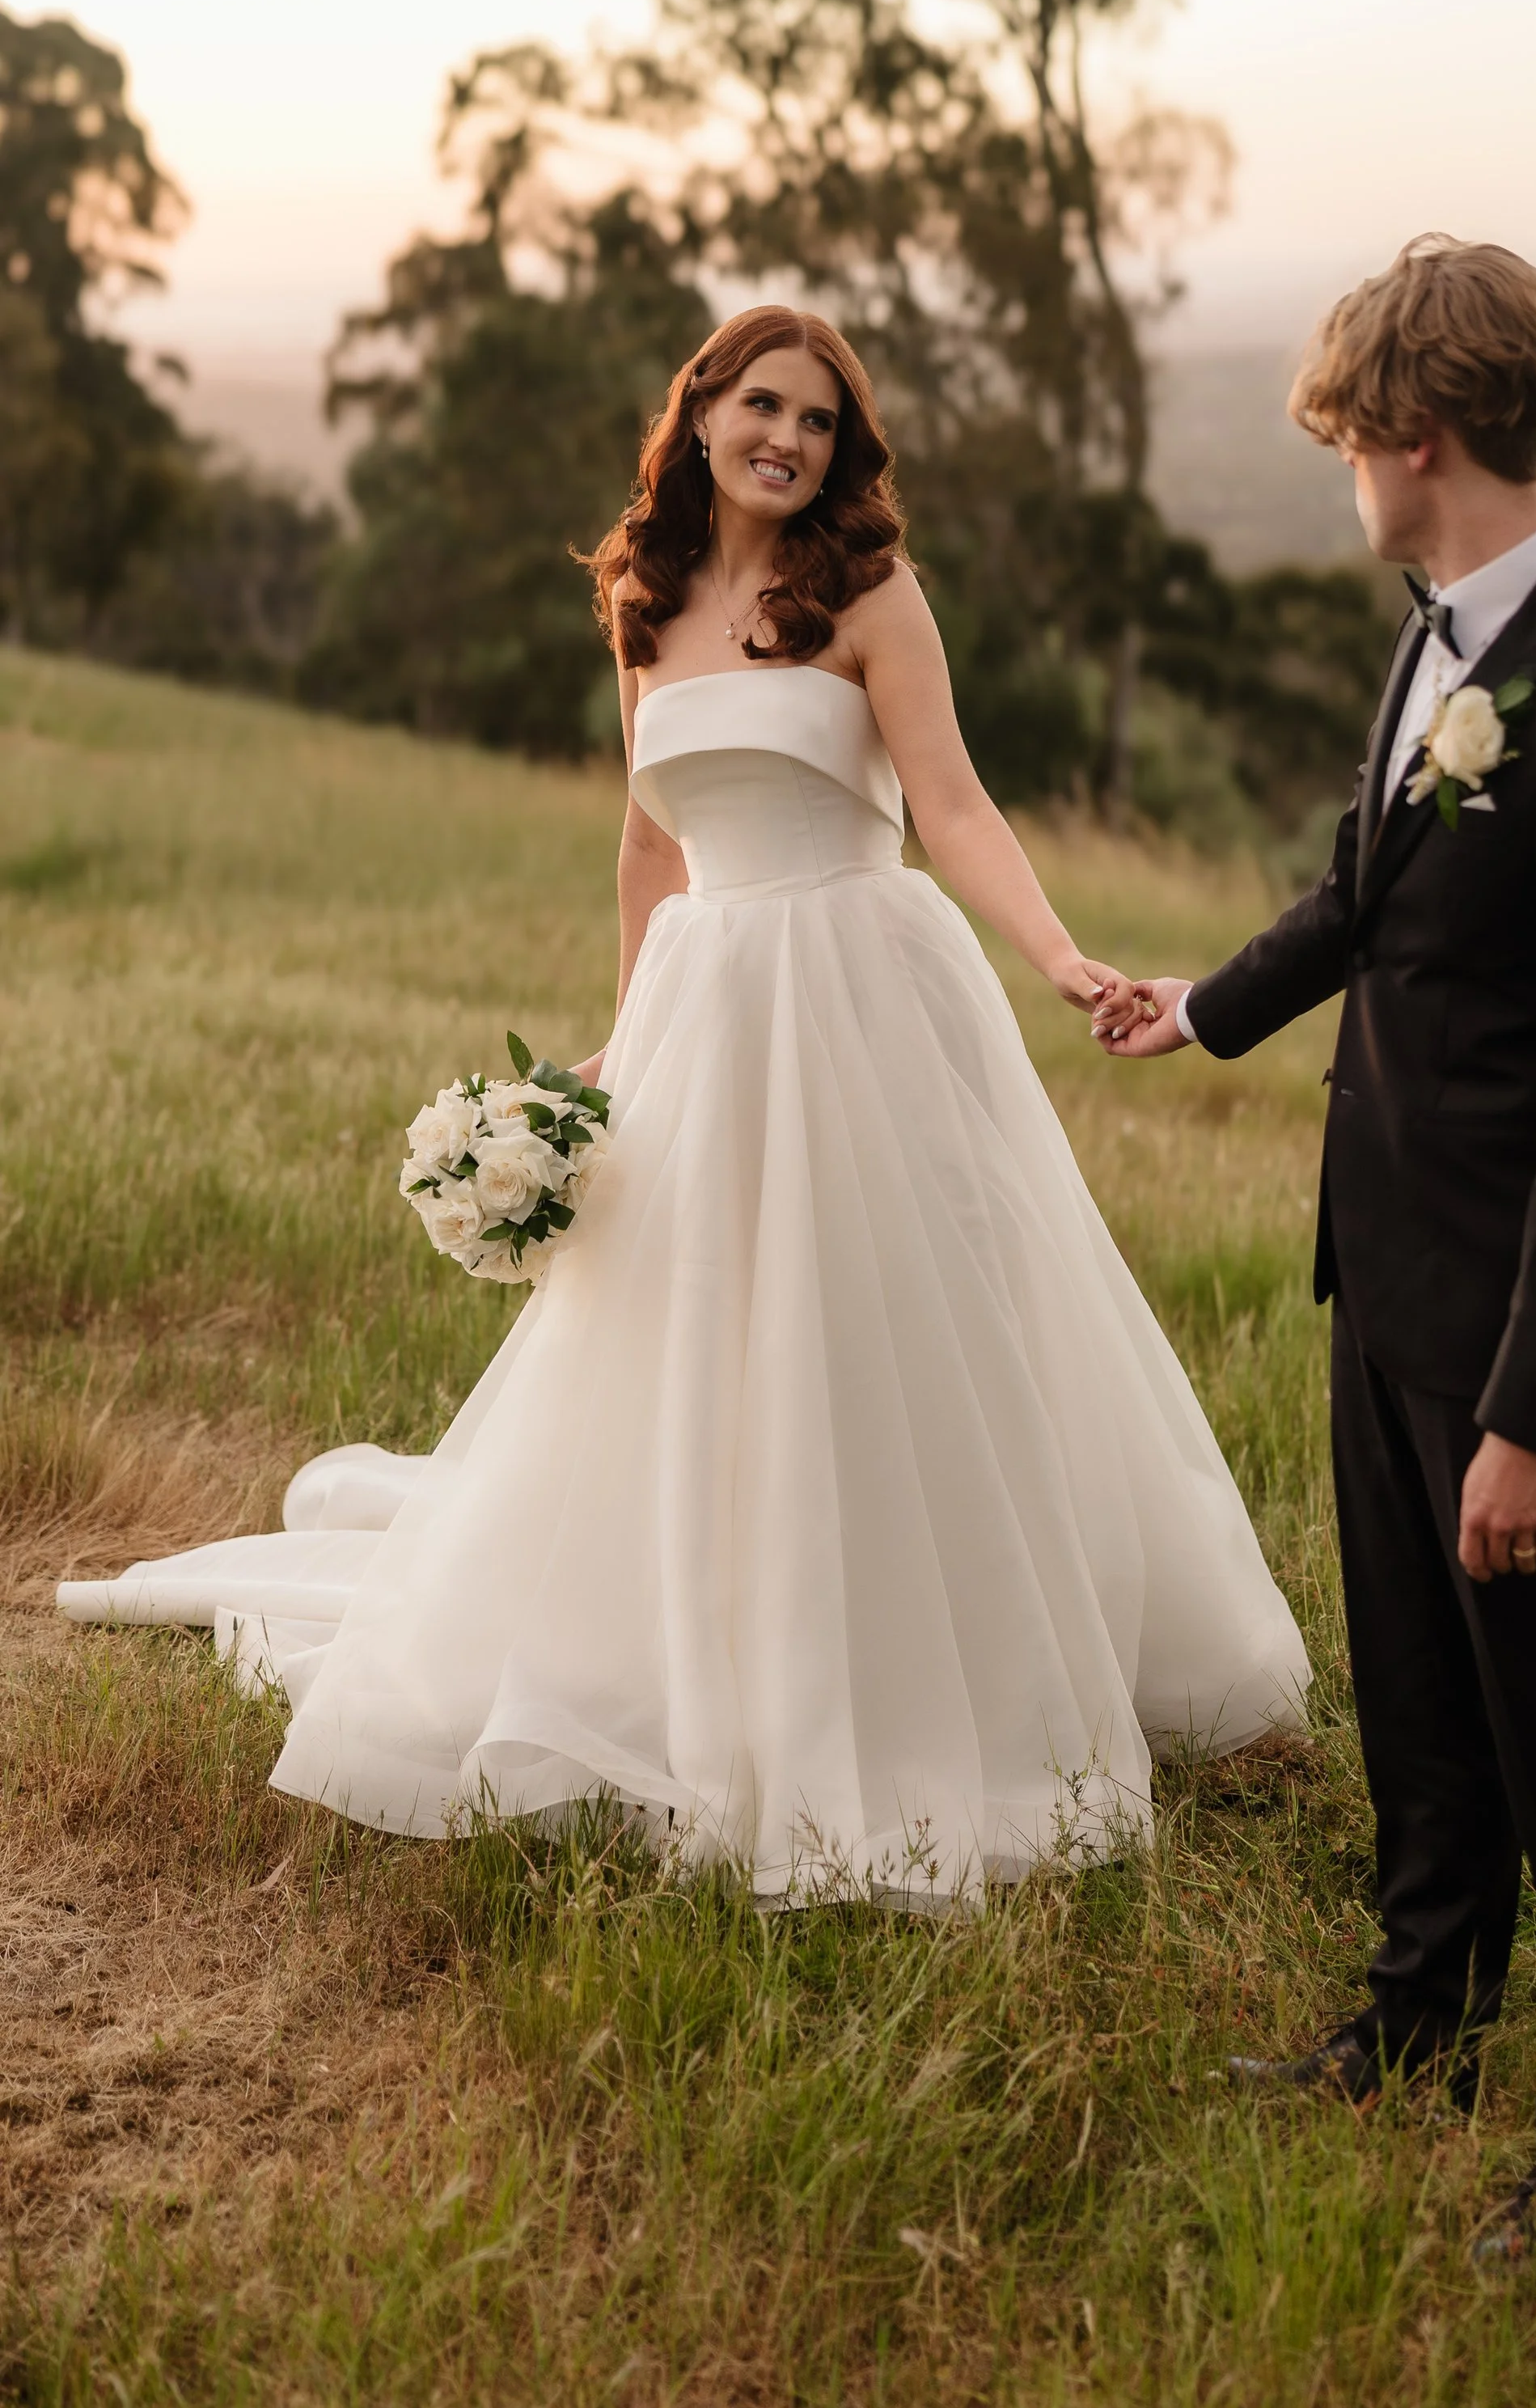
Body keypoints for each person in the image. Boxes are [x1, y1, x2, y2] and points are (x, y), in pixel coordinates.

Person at [61, 306, 1308, 1903]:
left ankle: (937, 1663)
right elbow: (652, 849)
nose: (787, 438)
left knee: (887, 1319)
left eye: (819, 421)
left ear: (842, 453)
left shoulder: (869, 595)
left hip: (857, 978)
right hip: (708, 1004)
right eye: (761, 405)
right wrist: (618, 1042)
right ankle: (698, 1643)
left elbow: (953, 803)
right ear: (701, 411)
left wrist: (1060, 957)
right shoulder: (644, 606)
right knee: (701, 1333)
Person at [1097, 237, 1536, 2258]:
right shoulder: (1437, 628)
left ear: (1409, 436)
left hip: (1523, 1321)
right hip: (1383, 1267)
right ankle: (1417, 2014)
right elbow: (1369, 883)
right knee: (1413, 1698)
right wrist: (1204, 1007)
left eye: (1341, 441)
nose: (1336, 474)